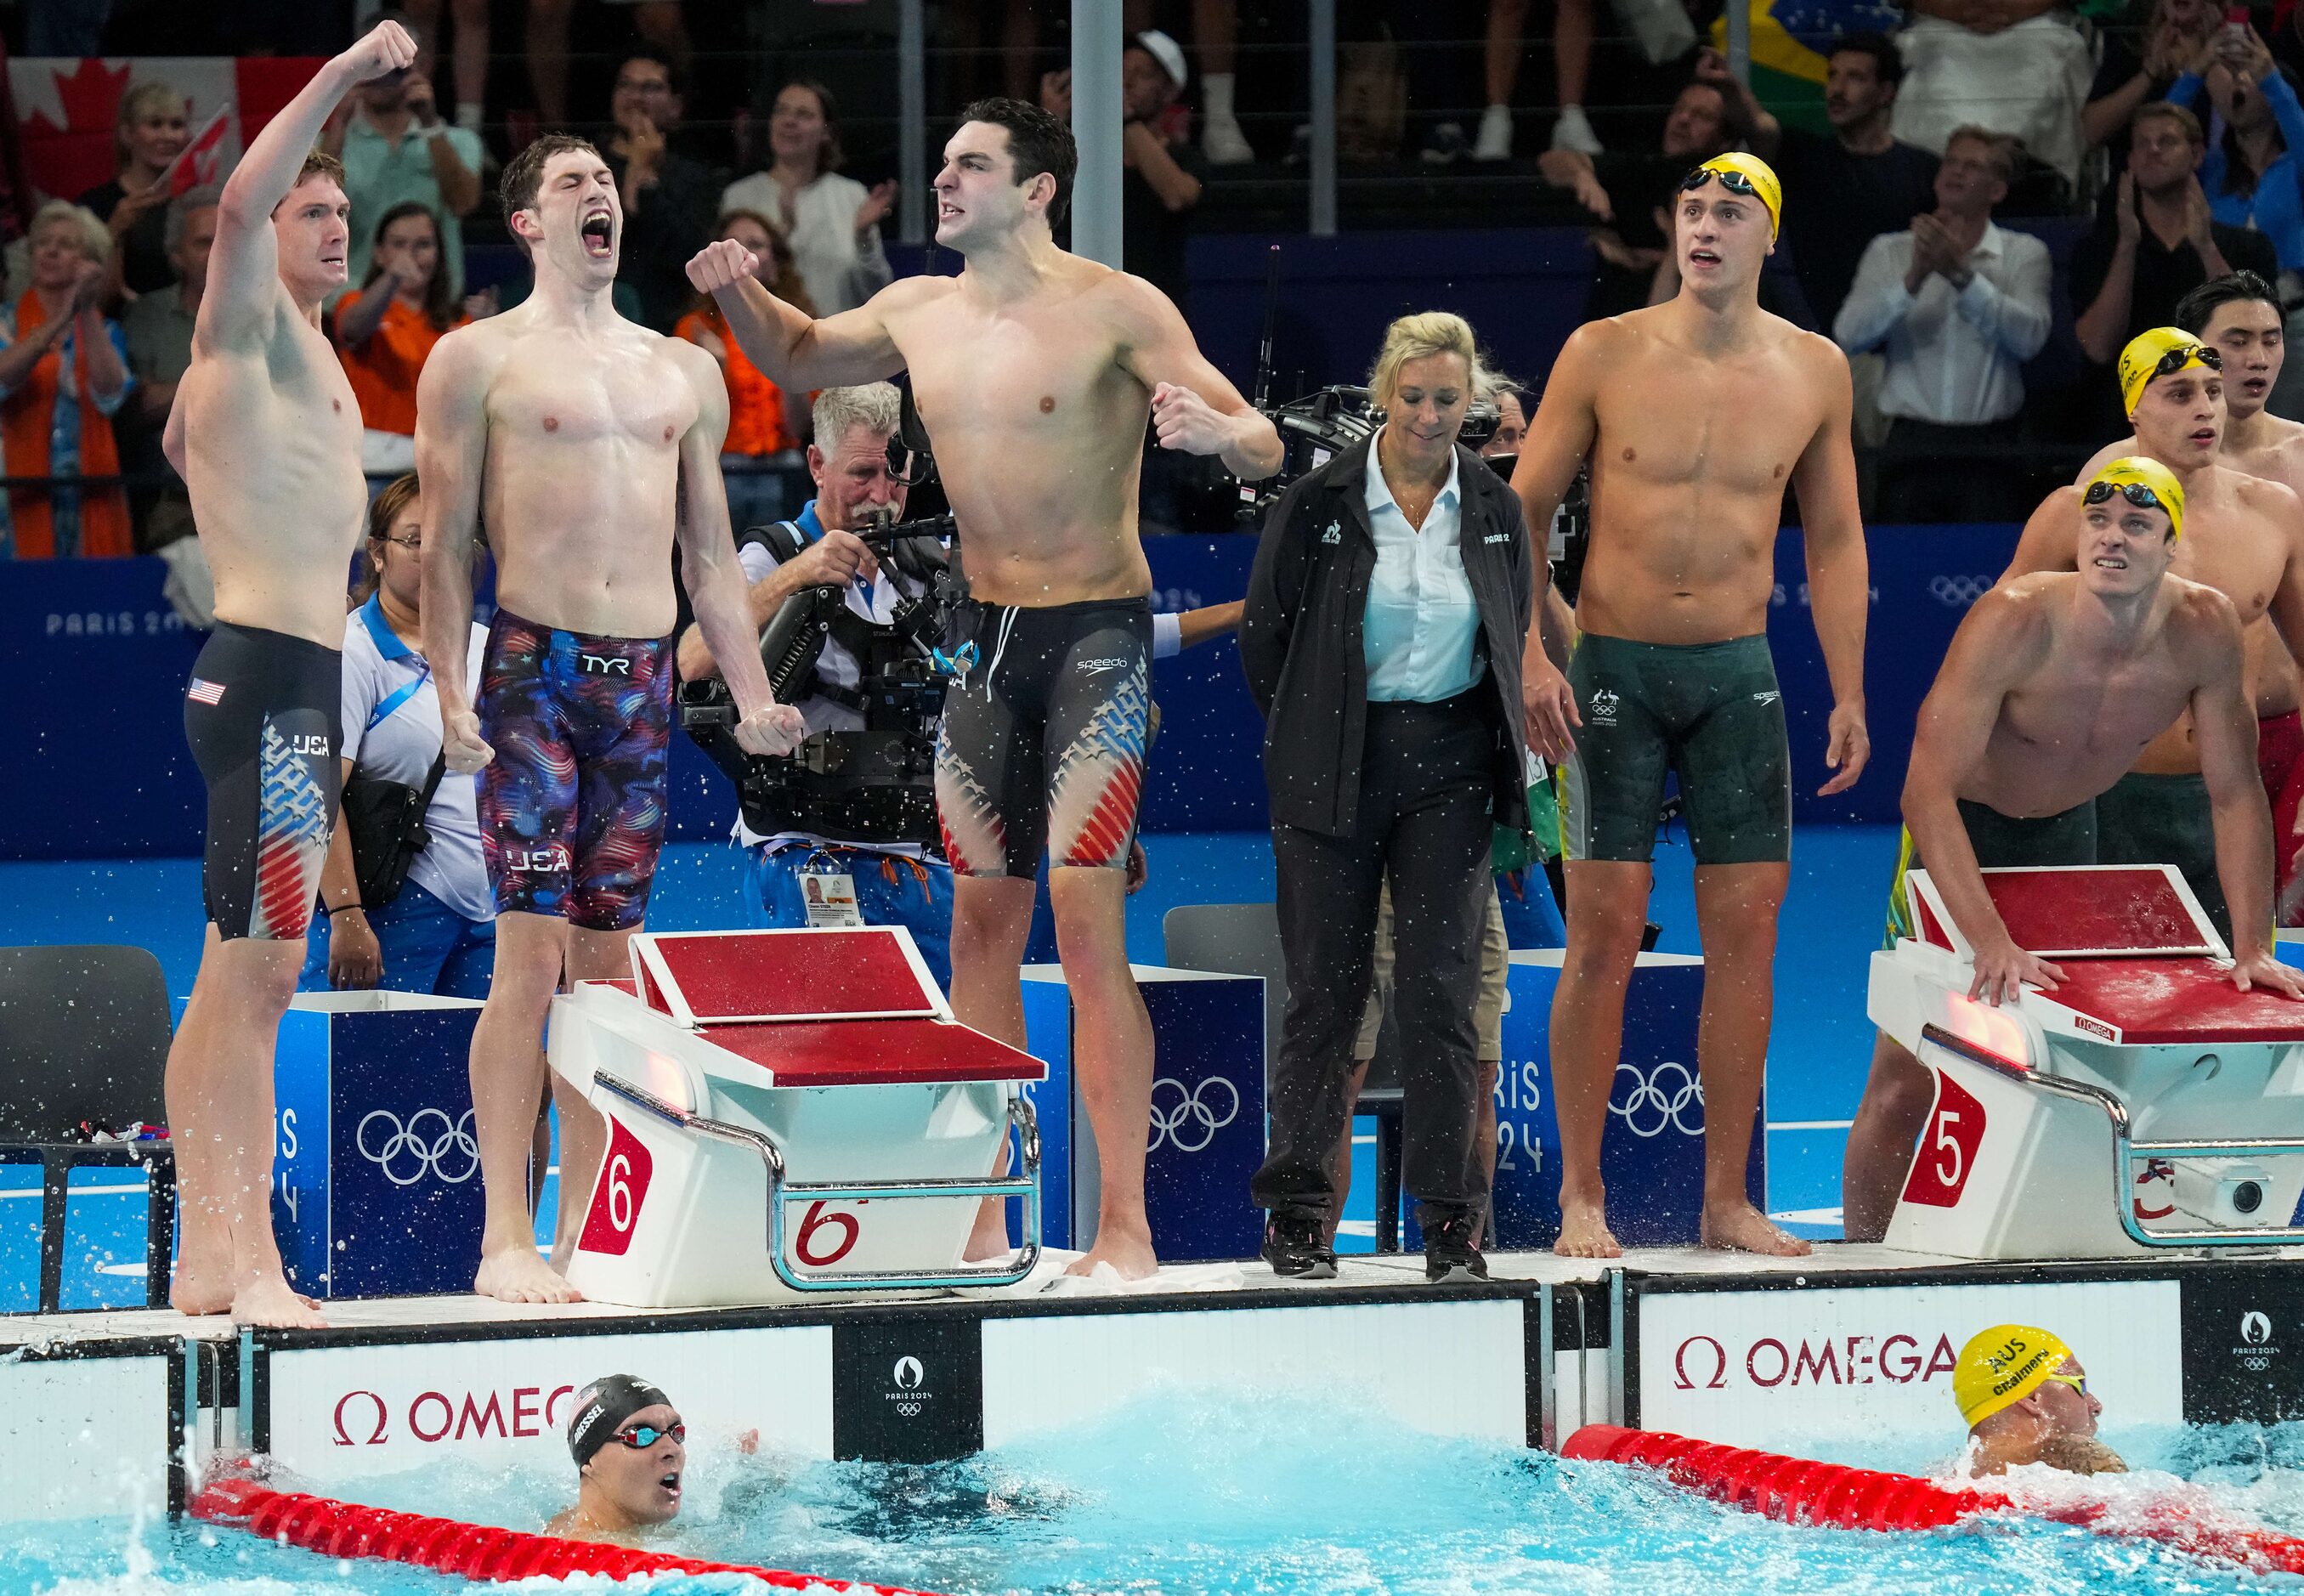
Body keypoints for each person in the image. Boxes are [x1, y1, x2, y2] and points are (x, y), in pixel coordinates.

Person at [687, 97, 1282, 1279]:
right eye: (945, 160)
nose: (944, 180)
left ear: (1036, 190)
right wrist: (733, 287)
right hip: (983, 646)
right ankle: (984, 1212)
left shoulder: (1117, 307)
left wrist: (1212, 442)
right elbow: (798, 353)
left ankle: (1125, 1225)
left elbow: (1260, 437)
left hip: (1094, 642)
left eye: (970, 164)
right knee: (979, 928)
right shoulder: (918, 311)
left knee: (1086, 921)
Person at [418, 134, 804, 1305]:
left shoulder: (677, 372)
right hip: (531, 676)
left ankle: (584, 1234)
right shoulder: (474, 359)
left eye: (606, 184)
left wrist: (749, 697)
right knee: (525, 960)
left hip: (639, 684)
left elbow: (706, 555)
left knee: (606, 973)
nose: (599, 197)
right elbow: (444, 547)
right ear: (526, 223)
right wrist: (446, 688)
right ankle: (504, 1235)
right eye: (570, 185)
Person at [1513, 152, 1871, 1260]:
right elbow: (1513, 514)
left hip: (1735, 679)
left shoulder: (1814, 370)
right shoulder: (1602, 351)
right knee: (1601, 934)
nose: (1703, 226)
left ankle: (1724, 1201)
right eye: (1689, 208)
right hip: (1611, 670)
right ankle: (1582, 1195)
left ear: (1766, 235)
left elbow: (1837, 537)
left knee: (1745, 939)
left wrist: (1849, 687)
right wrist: (1530, 649)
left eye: (1728, 211)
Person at [1840, 455, 2303, 1240]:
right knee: (1906, 1069)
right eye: (2097, 522)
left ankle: (2047, 1236)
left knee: (2060, 1057)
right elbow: (1924, 791)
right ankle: (1859, 1261)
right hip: (1964, 833)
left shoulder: (2203, 628)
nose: (2110, 540)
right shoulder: (2013, 618)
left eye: (2135, 525)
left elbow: (2232, 792)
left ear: (2170, 547)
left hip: (2072, 829)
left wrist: (2252, 945)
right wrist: (1989, 938)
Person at [161, 19, 422, 1328]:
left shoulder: (299, 355)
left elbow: (175, 436)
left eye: (339, 209)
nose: (330, 223)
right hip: (273, 674)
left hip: (272, 674)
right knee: (261, 981)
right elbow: (237, 196)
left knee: (234, 974)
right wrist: (338, 75)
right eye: (310, 208)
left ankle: (208, 1256)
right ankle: (244, 1253)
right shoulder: (252, 320)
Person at [1241, 312, 1532, 1284]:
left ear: (1472, 403)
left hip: (1448, 762)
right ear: (1381, 395)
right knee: (1325, 992)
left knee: (1441, 995)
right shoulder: (1318, 502)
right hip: (1332, 761)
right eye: (1411, 398)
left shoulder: (1493, 506)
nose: (1427, 416)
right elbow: (1265, 641)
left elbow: (1508, 625)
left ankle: (1452, 1226)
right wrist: (1313, 733)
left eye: (1447, 400)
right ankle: (1296, 1217)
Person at [2012, 327, 2304, 945]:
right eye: (2177, 394)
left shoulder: (2273, 514)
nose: (2204, 409)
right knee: (2070, 1012)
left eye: (2212, 392)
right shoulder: (2077, 516)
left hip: (2220, 800)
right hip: (2091, 794)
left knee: (2225, 1007)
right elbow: (1989, 659)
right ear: (2133, 409)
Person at [674, 382, 955, 986]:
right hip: (808, 847)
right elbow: (693, 659)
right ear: (816, 465)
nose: (881, 496)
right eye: (862, 474)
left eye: (896, 476)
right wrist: (795, 577)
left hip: (923, 854)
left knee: (937, 1050)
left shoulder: (931, 560)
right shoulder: (773, 552)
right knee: (827, 1041)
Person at [303, 473, 494, 998]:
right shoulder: (350, 652)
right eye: (414, 540)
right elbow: (317, 798)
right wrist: (345, 913)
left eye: (450, 541)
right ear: (377, 554)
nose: (434, 556)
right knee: (369, 1077)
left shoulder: (490, 648)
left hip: (493, 915)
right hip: (391, 907)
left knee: (482, 1079)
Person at [2165, 273, 2304, 919]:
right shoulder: (2132, 474)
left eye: (2270, 340)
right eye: (2237, 340)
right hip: (2183, 753)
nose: (2257, 358)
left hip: (2293, 741)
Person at [1834, 127, 2052, 524]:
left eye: (1972, 166)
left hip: (1990, 447)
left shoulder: (2025, 254)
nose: (1955, 171)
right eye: (1950, 162)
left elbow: (2030, 338)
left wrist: (1963, 277)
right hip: (1910, 446)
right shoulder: (1890, 250)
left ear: (1997, 191)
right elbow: (1850, 334)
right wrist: (1914, 277)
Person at [1724, 34, 1941, 336]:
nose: (1837, 90)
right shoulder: (1802, 156)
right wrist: (1729, 87)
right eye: (1832, 76)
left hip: (1897, 341)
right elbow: (1759, 127)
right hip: (1815, 339)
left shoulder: (1923, 170)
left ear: (1886, 93)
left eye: (1855, 78)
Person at [2072, 104, 2279, 400]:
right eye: (2142, 143)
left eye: (2166, 141)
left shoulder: (2248, 246)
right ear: (2130, 160)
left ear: (2196, 154)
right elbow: (2098, 348)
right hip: (2126, 415)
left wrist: (2206, 247)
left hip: (2218, 408)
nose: (2153, 150)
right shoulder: (2098, 249)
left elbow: (2251, 339)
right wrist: (2127, 246)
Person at [1537, 78, 1739, 320]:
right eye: (1679, 109)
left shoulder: (1723, 182)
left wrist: (1670, 255)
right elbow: (1551, 161)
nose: (1683, 120)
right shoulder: (1639, 166)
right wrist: (1583, 178)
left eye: (1702, 116)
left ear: (1725, 139)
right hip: (1621, 306)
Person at [0, 201, 133, 559]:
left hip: (86, 493)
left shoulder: (105, 329)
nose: (52, 250)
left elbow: (110, 395)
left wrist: (85, 307)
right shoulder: (6, 323)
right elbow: (4, 377)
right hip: (14, 495)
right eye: (44, 242)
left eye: (67, 244)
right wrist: (61, 318)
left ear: (90, 261)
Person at [326, 14, 484, 302]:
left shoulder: (460, 142)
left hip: (433, 308)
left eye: (394, 64)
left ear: (421, 66)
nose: (383, 75)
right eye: (373, 63)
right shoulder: (328, 146)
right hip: (350, 303)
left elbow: (464, 203)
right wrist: (339, 120)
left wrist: (429, 122)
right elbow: (308, 207)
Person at [675, 211, 810, 533]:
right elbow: (683, 428)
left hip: (783, 463)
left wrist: (789, 368)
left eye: (755, 244)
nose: (742, 253)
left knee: (792, 475)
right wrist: (714, 371)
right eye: (730, 245)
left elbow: (801, 427)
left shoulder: (797, 324)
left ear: (774, 263)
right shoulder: (694, 329)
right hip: (721, 464)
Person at [720, 80, 896, 320]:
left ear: (826, 132)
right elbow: (726, 289)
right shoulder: (739, 197)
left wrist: (863, 236)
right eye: (782, 111)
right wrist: (780, 235)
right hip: (762, 349)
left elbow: (877, 293)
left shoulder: (852, 196)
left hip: (836, 345)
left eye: (804, 114)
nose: (789, 121)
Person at [1888, 0, 2093, 190]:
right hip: (1946, 26)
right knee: (1939, 86)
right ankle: (1950, 165)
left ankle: (2007, 161)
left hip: (2031, 26)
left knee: (2038, 76)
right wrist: (1963, 13)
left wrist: (2007, 11)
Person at [334, 202, 473, 477]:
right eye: (399, 245)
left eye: (423, 245)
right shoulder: (354, 304)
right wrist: (393, 277)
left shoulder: (459, 320)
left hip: (433, 464)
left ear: (439, 253)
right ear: (380, 254)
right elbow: (352, 330)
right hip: (370, 463)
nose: (410, 256)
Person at [122, 185, 217, 552]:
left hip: (256, 501)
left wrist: (175, 393)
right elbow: (136, 406)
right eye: (203, 243)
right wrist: (224, 382)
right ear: (177, 256)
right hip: (171, 502)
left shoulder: (277, 315)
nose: (218, 252)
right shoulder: (147, 315)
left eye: (226, 238)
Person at [2166, 28, 2304, 278]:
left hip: (2292, 307)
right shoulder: (2212, 168)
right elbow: (2162, 133)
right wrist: (2195, 71)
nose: (2239, 80)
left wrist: (2271, 78)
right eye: (2236, 76)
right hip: (2223, 302)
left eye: (2251, 77)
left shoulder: (2295, 166)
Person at [603, 48, 722, 335]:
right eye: (626, 85)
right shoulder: (586, 164)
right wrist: (635, 170)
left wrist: (648, 185)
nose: (635, 97)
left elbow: (688, 255)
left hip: (669, 326)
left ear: (676, 106)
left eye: (650, 88)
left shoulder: (696, 178)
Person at [1954, 1327, 2127, 1477]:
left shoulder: (1945, 1479)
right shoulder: (2063, 1459)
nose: (2096, 1405)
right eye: (2079, 1384)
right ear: (2032, 1399)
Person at [80, 79, 191, 303]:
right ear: (127, 134)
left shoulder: (195, 204)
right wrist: (112, 231)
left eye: (176, 125)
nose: (168, 135)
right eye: (155, 124)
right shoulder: (93, 206)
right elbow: (78, 293)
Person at [546, 1376, 687, 1543]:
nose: (672, 1449)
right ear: (590, 1460)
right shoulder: (579, 1559)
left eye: (675, 1431)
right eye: (640, 1435)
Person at [2085, 0, 2218, 169]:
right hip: (2133, 186)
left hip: (2210, 187)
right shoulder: (2132, 47)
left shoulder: (2229, 48)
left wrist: (2207, 64)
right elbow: (2091, 133)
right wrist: (2149, 74)